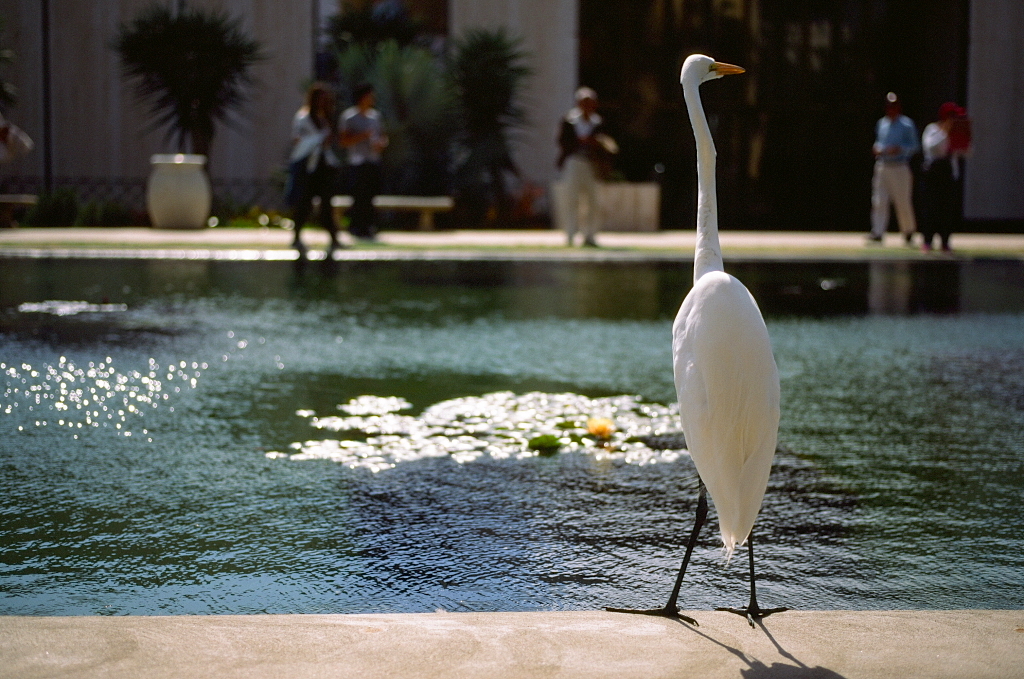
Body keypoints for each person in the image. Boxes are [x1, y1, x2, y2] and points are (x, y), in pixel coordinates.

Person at [287, 83, 343, 258]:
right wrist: (316, 140)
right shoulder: (303, 118)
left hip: (323, 167)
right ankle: (297, 236)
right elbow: (297, 139)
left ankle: (334, 237)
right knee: (304, 202)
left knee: (326, 203)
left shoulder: (324, 119)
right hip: (307, 167)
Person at [557, 87, 616, 247]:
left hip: (592, 163)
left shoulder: (599, 122)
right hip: (574, 161)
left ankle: (590, 236)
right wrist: (579, 142)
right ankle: (570, 235)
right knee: (572, 199)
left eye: (590, 103)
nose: (587, 106)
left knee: (593, 200)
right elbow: (562, 141)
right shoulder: (569, 120)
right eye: (584, 102)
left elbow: (607, 144)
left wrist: (595, 144)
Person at [868, 92, 919, 245]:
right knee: (879, 199)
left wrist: (899, 149)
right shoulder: (881, 123)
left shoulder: (907, 124)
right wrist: (877, 148)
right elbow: (879, 141)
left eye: (893, 106)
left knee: (902, 200)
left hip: (899, 166)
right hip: (883, 165)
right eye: (888, 106)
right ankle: (877, 231)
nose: (890, 109)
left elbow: (915, 146)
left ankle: (908, 231)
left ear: (898, 107)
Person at [340, 83, 388, 241]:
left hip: (372, 160)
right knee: (358, 195)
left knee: (370, 195)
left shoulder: (375, 116)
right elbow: (344, 140)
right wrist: (363, 136)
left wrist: (382, 143)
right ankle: (356, 226)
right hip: (357, 161)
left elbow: (382, 135)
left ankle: (368, 226)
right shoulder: (349, 117)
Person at [920, 102, 970, 252]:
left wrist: (964, 136)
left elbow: (967, 151)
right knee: (930, 208)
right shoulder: (932, 129)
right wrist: (946, 132)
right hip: (933, 173)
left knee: (946, 210)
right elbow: (931, 148)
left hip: (948, 174)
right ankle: (927, 241)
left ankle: (945, 241)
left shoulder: (956, 132)